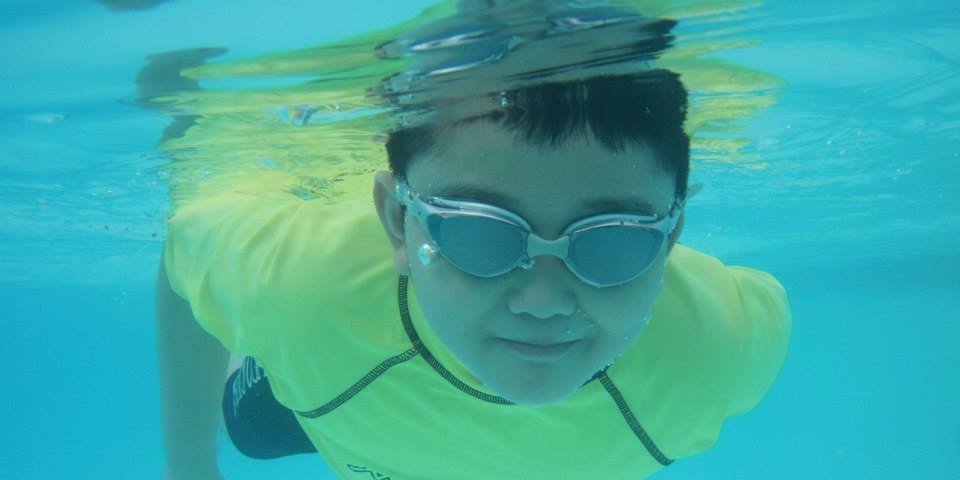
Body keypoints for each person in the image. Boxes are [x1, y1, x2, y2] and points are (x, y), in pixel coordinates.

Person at [157, 11, 791, 480]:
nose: (543, 302)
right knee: (254, 432)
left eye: (613, 242)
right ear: (397, 222)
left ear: (671, 237)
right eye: (479, 233)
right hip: (328, 363)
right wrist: (190, 469)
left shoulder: (720, 347)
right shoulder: (300, 289)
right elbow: (185, 246)